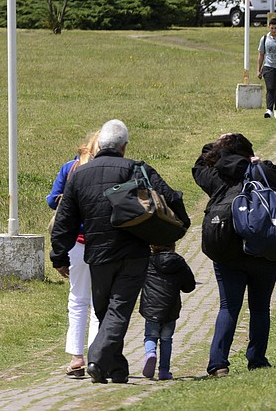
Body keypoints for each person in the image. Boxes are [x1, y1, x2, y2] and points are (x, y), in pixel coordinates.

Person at [50, 119, 191, 384]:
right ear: (124, 147)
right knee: (115, 312)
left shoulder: (79, 174)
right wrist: (181, 225)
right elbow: (171, 197)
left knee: (108, 311)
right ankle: (103, 361)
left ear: (99, 145)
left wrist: (59, 255)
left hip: (98, 255)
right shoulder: (137, 169)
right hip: (132, 254)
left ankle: (111, 368)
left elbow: (64, 220)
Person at [192, 132, 276, 377]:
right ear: (249, 151)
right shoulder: (262, 170)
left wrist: (215, 145)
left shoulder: (216, 175)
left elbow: (198, 166)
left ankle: (218, 363)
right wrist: (259, 164)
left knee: (228, 306)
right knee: (260, 308)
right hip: (264, 251)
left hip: (228, 252)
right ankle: (257, 359)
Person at [47, 130, 101, 378]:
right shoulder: (110, 168)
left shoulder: (70, 168)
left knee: (78, 299)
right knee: (102, 302)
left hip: (76, 242)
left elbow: (51, 200)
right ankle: (97, 357)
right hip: (104, 243)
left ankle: (76, 358)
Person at [139, 243, 196, 381]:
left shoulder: (148, 261)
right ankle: (164, 371)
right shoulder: (179, 262)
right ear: (173, 245)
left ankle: (150, 353)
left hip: (151, 307)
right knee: (166, 340)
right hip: (170, 309)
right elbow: (189, 286)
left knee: (150, 336)